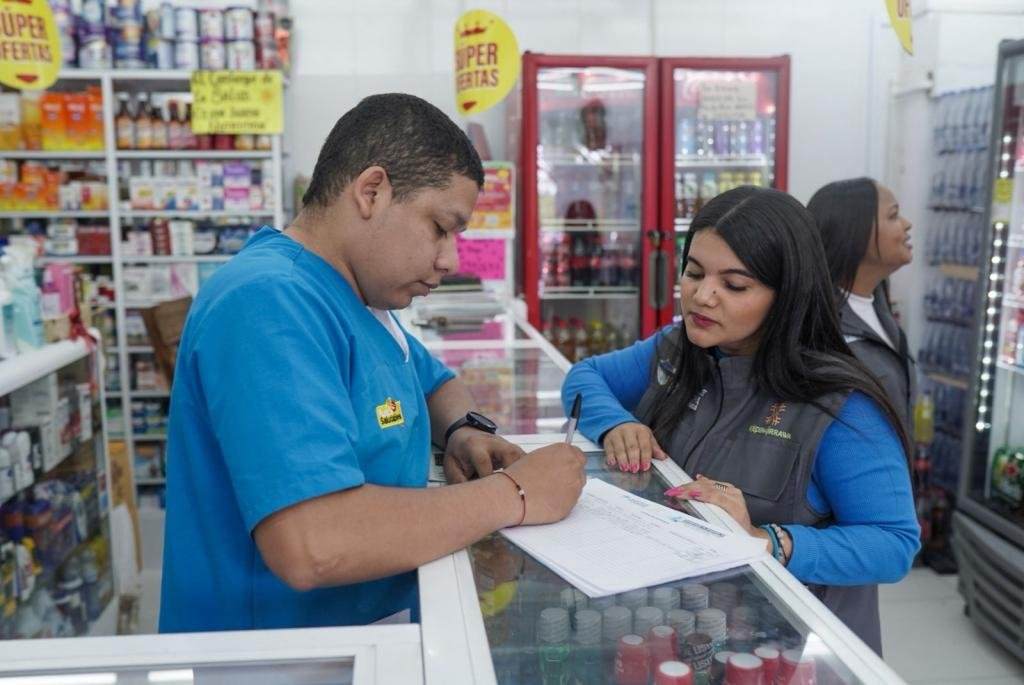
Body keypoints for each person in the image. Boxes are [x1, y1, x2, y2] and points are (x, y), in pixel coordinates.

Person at [160, 93, 586, 633]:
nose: (450, 259)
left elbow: (433, 382)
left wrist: (465, 431)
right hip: (279, 656)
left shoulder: (358, 297)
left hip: (363, 629)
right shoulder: (267, 302)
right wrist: (516, 495)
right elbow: (313, 543)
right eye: (440, 226)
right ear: (372, 191)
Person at [561, 186, 919, 654]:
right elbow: (584, 378)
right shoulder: (679, 348)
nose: (702, 296)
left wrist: (767, 541)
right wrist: (616, 424)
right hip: (687, 630)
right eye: (693, 273)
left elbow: (893, 544)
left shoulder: (841, 404)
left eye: (734, 285)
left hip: (792, 650)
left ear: (787, 295)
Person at [807, 177, 916, 435]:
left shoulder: (879, 307)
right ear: (855, 232)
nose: (907, 224)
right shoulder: (821, 328)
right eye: (893, 215)